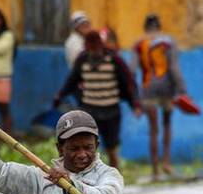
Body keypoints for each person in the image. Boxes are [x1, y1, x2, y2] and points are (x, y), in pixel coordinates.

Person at [55, 30, 141, 171]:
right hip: (89, 112)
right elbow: (71, 81)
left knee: (112, 148)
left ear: (101, 45)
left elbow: (129, 82)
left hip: (111, 110)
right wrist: (59, 97)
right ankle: (86, 179)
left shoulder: (114, 59)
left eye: (96, 47)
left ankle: (114, 177)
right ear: (87, 47)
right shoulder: (82, 60)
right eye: (91, 48)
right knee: (86, 149)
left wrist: (135, 104)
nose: (94, 51)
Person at [132, 14, 188, 181]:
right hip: (167, 89)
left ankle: (155, 170)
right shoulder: (168, 42)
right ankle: (166, 162)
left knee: (153, 130)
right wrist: (182, 90)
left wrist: (134, 98)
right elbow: (174, 68)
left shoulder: (139, 44)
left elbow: (132, 70)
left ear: (145, 27)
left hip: (148, 90)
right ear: (159, 26)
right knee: (167, 125)